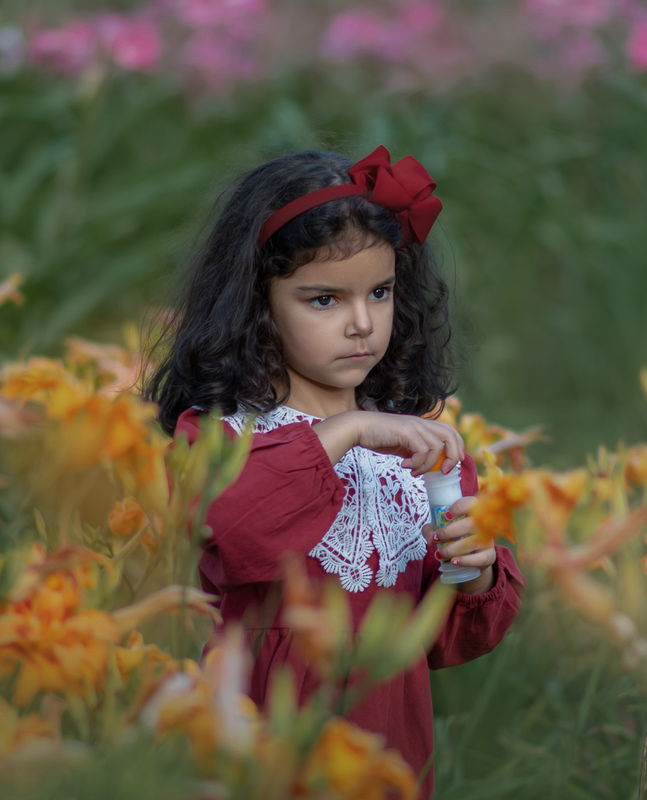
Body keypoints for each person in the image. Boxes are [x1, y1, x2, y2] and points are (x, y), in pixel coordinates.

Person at [146, 146, 524, 797]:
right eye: (323, 300)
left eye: (379, 293)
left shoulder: (416, 450)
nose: (360, 323)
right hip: (260, 742)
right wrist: (346, 432)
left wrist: (477, 567)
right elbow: (232, 530)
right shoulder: (225, 433)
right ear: (257, 305)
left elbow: (448, 641)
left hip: (387, 751)